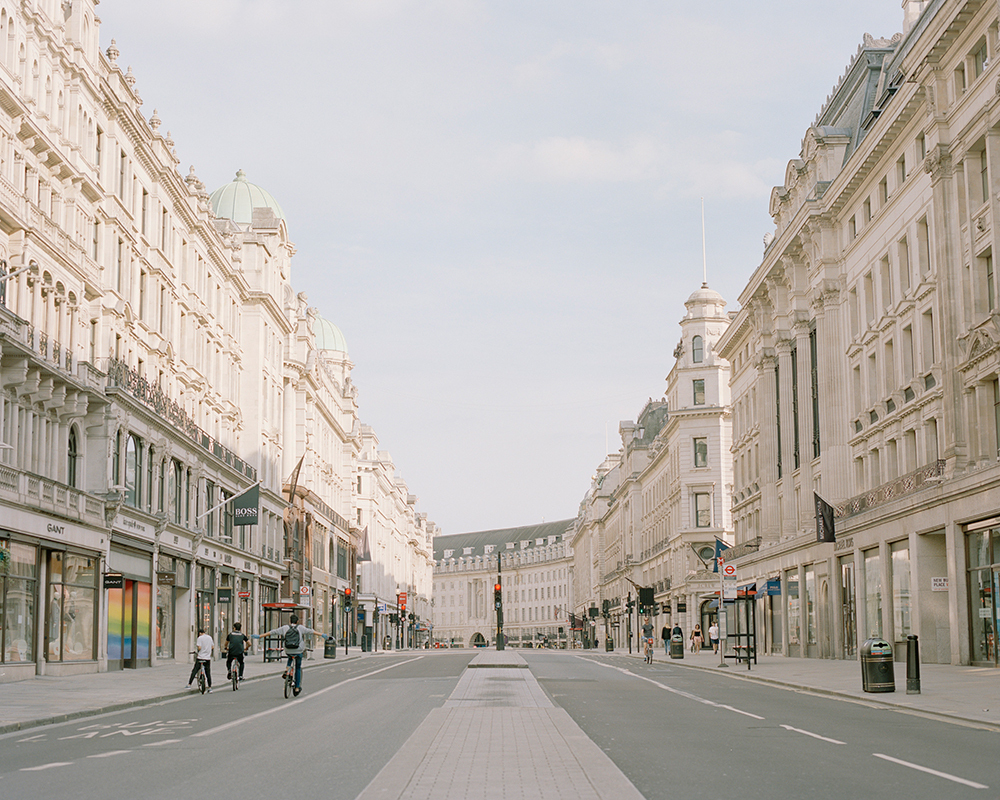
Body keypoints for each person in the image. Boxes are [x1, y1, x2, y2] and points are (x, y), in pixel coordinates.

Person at [256, 614, 327, 696]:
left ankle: (287, 670)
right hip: (298, 650)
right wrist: (322, 634)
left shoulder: (284, 628)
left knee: (290, 657)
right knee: (297, 667)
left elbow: (273, 632)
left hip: (288, 649)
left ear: (290, 621)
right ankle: (297, 687)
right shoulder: (301, 628)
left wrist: (260, 636)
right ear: (297, 621)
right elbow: (311, 631)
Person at [187, 627, 214, 692]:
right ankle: (210, 687)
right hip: (207, 658)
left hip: (200, 657)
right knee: (208, 673)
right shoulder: (210, 638)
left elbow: (199, 648)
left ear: (199, 633)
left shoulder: (200, 638)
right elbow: (212, 647)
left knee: (195, 670)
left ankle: (189, 684)